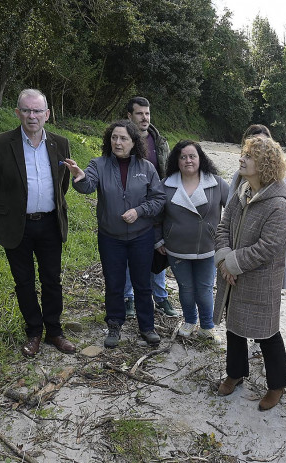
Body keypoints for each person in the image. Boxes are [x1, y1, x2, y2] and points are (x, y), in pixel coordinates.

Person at [0, 88, 77, 358]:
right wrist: (10, 210)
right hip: (16, 226)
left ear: (47, 114)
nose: (31, 116)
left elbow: (63, 184)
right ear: (17, 113)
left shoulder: (60, 143)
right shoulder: (0, 144)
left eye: (37, 111)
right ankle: (33, 332)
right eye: (26, 110)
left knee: (52, 280)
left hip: (49, 225)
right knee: (23, 281)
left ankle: (54, 332)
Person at [64, 120, 165, 348]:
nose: (117, 142)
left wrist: (139, 211)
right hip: (111, 237)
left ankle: (147, 327)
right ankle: (114, 324)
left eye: (123, 138)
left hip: (141, 235)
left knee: (142, 283)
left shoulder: (147, 167)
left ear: (133, 142)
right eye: (114, 137)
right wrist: (79, 177)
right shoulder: (98, 164)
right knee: (114, 283)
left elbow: (159, 199)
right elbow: (87, 185)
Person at [214, 136, 286, 411]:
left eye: (249, 156)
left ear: (265, 164)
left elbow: (269, 248)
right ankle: (235, 373)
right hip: (232, 275)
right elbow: (223, 225)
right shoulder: (243, 190)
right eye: (243, 154)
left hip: (260, 280)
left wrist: (231, 264)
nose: (242, 159)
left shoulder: (277, 203)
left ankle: (277, 384)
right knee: (234, 328)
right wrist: (224, 260)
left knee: (267, 334)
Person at [155, 140, 229, 340]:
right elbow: (156, 216)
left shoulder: (216, 183)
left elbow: (233, 211)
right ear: (176, 161)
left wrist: (226, 240)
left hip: (208, 247)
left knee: (205, 289)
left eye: (192, 156)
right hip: (176, 248)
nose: (188, 160)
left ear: (200, 158)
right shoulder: (166, 184)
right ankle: (189, 321)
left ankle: (207, 326)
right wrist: (159, 240)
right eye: (183, 157)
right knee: (186, 289)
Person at [123, 97, 177, 317]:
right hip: (128, 206)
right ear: (129, 116)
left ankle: (161, 297)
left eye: (147, 113)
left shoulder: (159, 141)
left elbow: (169, 173)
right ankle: (128, 298)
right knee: (128, 254)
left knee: (158, 249)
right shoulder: (121, 140)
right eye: (139, 113)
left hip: (155, 206)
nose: (144, 118)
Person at [228, 124, 286, 290]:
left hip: (259, 268)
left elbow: (272, 240)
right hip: (233, 258)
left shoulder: (278, 193)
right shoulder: (240, 181)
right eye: (251, 149)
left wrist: (235, 262)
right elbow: (226, 220)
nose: (262, 148)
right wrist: (225, 257)